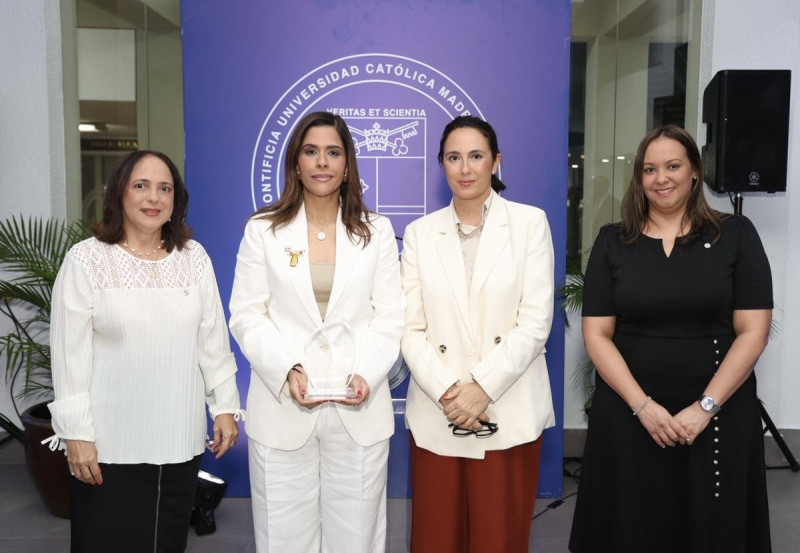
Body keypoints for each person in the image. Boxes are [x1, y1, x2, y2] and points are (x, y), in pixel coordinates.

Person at [569, 125, 773, 553]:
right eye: (649, 168)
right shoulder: (612, 241)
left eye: (673, 166)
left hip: (716, 414)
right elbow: (597, 334)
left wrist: (704, 408)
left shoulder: (735, 235)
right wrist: (642, 407)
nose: (661, 178)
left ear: (695, 172)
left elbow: (753, 332)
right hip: (629, 413)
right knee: (630, 528)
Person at [46, 150, 243, 553]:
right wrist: (77, 435)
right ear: (119, 193)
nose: (153, 197)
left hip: (179, 441)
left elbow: (212, 341)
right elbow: (70, 356)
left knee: (165, 543)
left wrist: (224, 405)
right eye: (141, 186)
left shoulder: (194, 258)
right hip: (108, 446)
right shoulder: (87, 260)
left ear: (176, 201)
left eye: (164, 188)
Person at [229, 111, 404, 553]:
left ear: (347, 165)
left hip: (358, 408)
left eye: (332, 152)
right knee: (284, 539)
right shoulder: (262, 230)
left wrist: (367, 371)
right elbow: (246, 314)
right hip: (283, 408)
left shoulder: (378, 231)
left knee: (356, 539)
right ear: (296, 163)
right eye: (311, 152)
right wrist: (287, 368)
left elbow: (390, 315)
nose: (321, 162)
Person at [400, 115, 556, 553]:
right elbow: (410, 329)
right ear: (442, 165)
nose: (465, 168)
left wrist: (481, 389)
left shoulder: (529, 224)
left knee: (499, 539)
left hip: (507, 406)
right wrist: (453, 393)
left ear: (496, 162)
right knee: (436, 538)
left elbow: (535, 322)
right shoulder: (418, 234)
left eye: (475, 156)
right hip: (440, 409)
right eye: (454, 157)